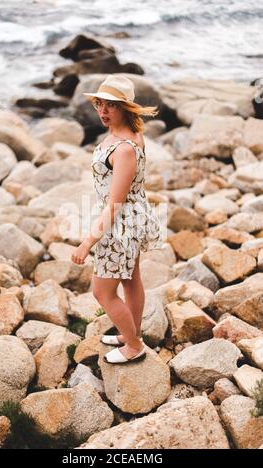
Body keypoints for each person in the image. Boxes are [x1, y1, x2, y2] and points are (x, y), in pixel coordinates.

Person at [71, 74, 166, 364]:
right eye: (100, 104)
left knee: (102, 292)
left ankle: (134, 345)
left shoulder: (124, 148)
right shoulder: (130, 135)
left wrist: (87, 242)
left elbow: (115, 204)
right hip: (132, 217)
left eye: (110, 106)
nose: (102, 111)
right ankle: (130, 332)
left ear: (125, 107)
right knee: (130, 279)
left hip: (121, 225)